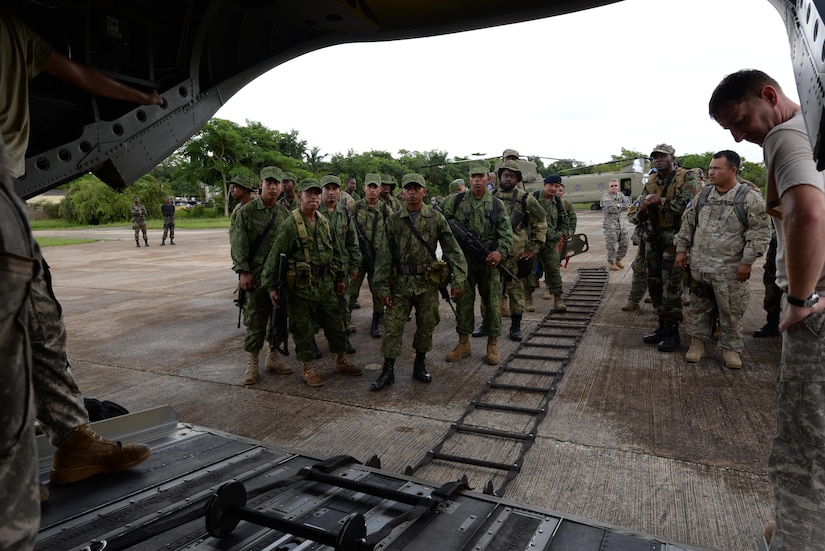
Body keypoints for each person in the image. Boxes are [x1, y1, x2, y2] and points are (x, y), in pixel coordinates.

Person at [1, 7, 156, 516]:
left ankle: (73, 440)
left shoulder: (13, 31)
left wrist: (139, 97)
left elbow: (76, 73)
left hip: (4, 193)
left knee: (41, 322)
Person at [709, 68, 825, 550]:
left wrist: (800, 299)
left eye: (740, 120)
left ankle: (799, 538)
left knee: (803, 445)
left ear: (770, 96)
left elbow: (809, 212)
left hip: (815, 314)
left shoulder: (785, 134)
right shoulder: (816, 134)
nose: (739, 136)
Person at [674, 150, 771, 369]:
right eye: (710, 168)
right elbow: (688, 223)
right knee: (698, 309)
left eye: (717, 168)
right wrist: (681, 250)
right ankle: (697, 345)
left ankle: (731, 350)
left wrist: (747, 263)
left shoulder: (748, 197)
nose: (711, 172)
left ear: (733, 170)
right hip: (700, 268)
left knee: (731, 312)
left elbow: (760, 233)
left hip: (730, 271)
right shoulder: (704, 195)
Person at [371, 173, 468, 390]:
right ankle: (388, 370)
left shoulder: (436, 218)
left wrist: (459, 280)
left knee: (426, 326)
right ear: (402, 192)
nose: (412, 193)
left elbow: (453, 251)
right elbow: (384, 256)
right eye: (408, 189)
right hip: (400, 284)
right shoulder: (394, 220)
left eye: (417, 188)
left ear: (424, 191)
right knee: (393, 327)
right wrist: (382, 286)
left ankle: (419, 364)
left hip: (427, 283)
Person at [263, 178, 363, 387]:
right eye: (310, 194)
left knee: (336, 324)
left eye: (318, 194)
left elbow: (334, 252)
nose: (315, 198)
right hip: (301, 289)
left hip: (326, 285)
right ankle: (308, 367)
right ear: (300, 197)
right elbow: (275, 256)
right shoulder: (290, 224)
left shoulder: (324, 221)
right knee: (303, 329)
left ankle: (341, 359)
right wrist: (271, 286)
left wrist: (339, 278)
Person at [441, 161, 513, 365]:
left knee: (491, 304)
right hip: (462, 263)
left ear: (488, 179)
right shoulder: (456, 202)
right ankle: (464, 343)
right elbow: (441, 223)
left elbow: (506, 234)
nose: (477, 180)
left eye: (481, 176)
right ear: (469, 179)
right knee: (463, 303)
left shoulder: (497, 205)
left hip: (488, 263)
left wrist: (500, 252)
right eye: (473, 177)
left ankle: (492, 343)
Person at [635, 144, 701, 352]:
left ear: (672, 157)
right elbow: (638, 209)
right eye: (655, 157)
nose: (658, 160)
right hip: (654, 237)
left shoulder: (687, 178)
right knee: (653, 282)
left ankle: (673, 331)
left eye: (662, 156)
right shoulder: (652, 181)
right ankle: (662, 326)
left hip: (676, 237)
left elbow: (686, 206)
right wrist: (644, 206)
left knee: (672, 285)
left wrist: (660, 201)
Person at [230, 166, 291, 385]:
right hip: (254, 275)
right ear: (261, 184)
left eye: (277, 183)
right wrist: (243, 272)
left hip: (277, 276)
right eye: (269, 182)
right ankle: (252, 364)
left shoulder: (284, 213)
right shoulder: (247, 211)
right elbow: (239, 243)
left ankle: (272, 358)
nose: (273, 187)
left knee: (277, 319)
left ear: (282, 186)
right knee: (256, 321)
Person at [493, 160, 547, 341]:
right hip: (493, 254)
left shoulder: (525, 198)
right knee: (491, 291)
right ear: (500, 176)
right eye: (506, 175)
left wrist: (533, 248)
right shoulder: (489, 197)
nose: (508, 179)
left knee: (516, 293)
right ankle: (489, 324)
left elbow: (540, 221)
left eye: (513, 176)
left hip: (515, 255)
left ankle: (515, 327)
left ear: (517, 179)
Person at [321, 174, 361, 354]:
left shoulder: (344, 212)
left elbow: (353, 241)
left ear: (339, 191)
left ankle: (343, 340)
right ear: (321, 192)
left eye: (334, 189)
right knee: (318, 306)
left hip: (342, 269)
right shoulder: (313, 211)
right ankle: (313, 342)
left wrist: (354, 267)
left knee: (343, 306)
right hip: (320, 270)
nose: (331, 193)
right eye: (327, 189)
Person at [349, 173, 391, 338]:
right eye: (369, 187)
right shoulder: (355, 207)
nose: (372, 190)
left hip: (378, 259)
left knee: (378, 292)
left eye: (375, 187)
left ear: (380, 189)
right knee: (351, 291)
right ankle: (345, 321)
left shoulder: (386, 210)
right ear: (364, 188)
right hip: (358, 258)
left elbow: (391, 235)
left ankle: (376, 322)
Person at [534, 174, 569, 311]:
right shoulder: (534, 198)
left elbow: (564, 219)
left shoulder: (558, 201)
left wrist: (562, 233)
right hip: (534, 242)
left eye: (557, 186)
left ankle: (558, 300)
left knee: (554, 270)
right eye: (551, 185)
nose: (554, 189)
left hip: (550, 243)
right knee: (531, 271)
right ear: (544, 184)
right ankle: (528, 298)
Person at [601, 178, 631, 271]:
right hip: (610, 226)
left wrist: (618, 205)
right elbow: (610, 209)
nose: (614, 187)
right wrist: (620, 206)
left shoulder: (621, 195)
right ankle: (612, 263)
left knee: (625, 243)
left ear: (618, 186)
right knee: (611, 245)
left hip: (621, 224)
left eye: (615, 185)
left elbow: (628, 205)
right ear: (609, 187)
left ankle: (618, 259)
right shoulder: (606, 197)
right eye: (612, 186)